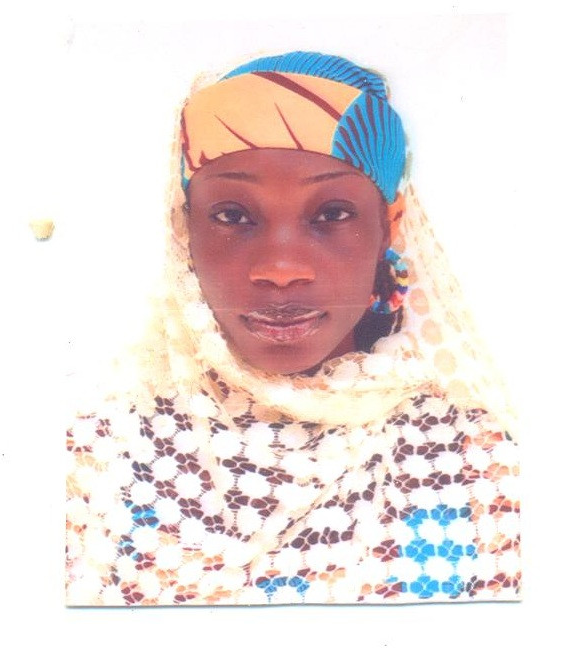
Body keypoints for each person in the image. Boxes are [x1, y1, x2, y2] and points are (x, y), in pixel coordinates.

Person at [66, 51, 520, 606]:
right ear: (185, 231)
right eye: (233, 216)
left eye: (332, 214)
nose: (280, 270)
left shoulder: (476, 460)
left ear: (389, 226)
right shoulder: (97, 459)